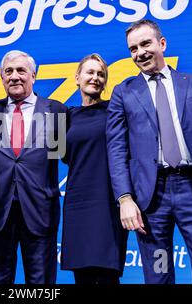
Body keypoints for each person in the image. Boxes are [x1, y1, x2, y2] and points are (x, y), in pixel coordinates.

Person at [106, 19, 192, 284]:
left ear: (162, 43)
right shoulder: (124, 93)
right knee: (159, 275)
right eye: (133, 49)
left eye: (145, 44)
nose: (140, 52)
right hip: (151, 201)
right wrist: (125, 198)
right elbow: (117, 150)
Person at [0, 50, 67, 284]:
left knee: (41, 282)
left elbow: (63, 153)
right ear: (2, 77)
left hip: (40, 210)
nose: (15, 76)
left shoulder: (55, 110)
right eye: (9, 71)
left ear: (33, 76)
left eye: (21, 70)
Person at [60, 54, 127, 284]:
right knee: (83, 276)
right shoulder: (66, 116)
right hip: (77, 203)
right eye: (90, 72)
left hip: (107, 201)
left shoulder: (115, 110)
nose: (95, 78)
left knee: (107, 274)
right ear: (77, 77)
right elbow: (61, 155)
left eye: (101, 74)